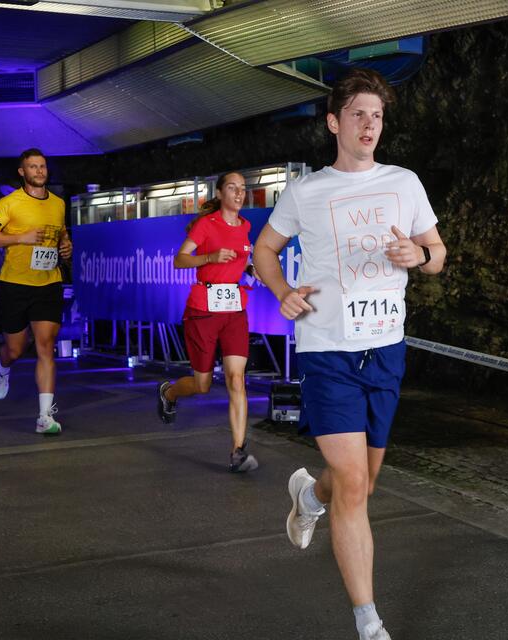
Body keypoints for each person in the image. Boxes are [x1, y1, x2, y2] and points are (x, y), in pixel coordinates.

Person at [254, 68, 447, 640]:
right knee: (355, 484)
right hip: (327, 351)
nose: (370, 124)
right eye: (359, 114)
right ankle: (369, 622)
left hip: (384, 350)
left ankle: (309, 495)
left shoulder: (404, 182)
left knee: (361, 481)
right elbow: (265, 249)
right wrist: (283, 292)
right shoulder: (306, 192)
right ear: (335, 122)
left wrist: (420, 254)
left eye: (378, 115)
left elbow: (438, 253)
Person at [156, 172, 260, 473]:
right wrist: (210, 257)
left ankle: (238, 450)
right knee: (202, 385)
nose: (239, 194)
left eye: (243, 189)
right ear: (220, 192)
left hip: (235, 311)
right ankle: (169, 393)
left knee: (236, 379)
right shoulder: (206, 224)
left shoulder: (246, 226)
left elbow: (243, 259)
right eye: (233, 188)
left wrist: (253, 270)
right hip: (203, 310)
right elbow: (180, 259)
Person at [0, 148, 72, 435]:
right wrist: (21, 237)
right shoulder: (9, 203)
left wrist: (66, 247)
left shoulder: (57, 203)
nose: (39, 171)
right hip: (15, 284)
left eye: (42, 166)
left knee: (46, 346)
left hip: (48, 282)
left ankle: (45, 417)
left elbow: (62, 234)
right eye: (33, 167)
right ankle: (3, 365)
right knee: (16, 349)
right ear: (23, 172)